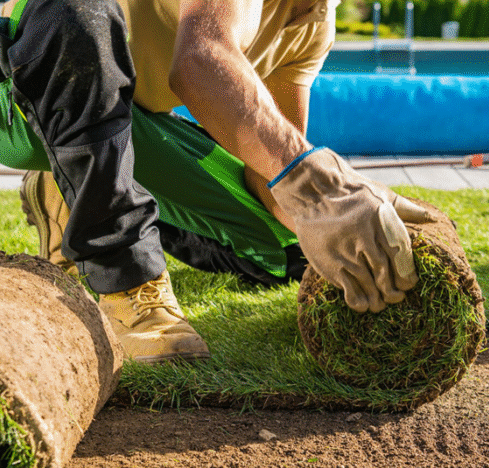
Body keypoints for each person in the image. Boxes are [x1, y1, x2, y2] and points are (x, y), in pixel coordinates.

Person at [1, 0, 432, 363]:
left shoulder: (312, 24)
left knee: (288, 252)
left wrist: (335, 208)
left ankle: (65, 191)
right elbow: (200, 61)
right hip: (19, 84)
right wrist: (319, 183)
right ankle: (128, 281)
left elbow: (272, 173)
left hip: (116, 123)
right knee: (72, 10)